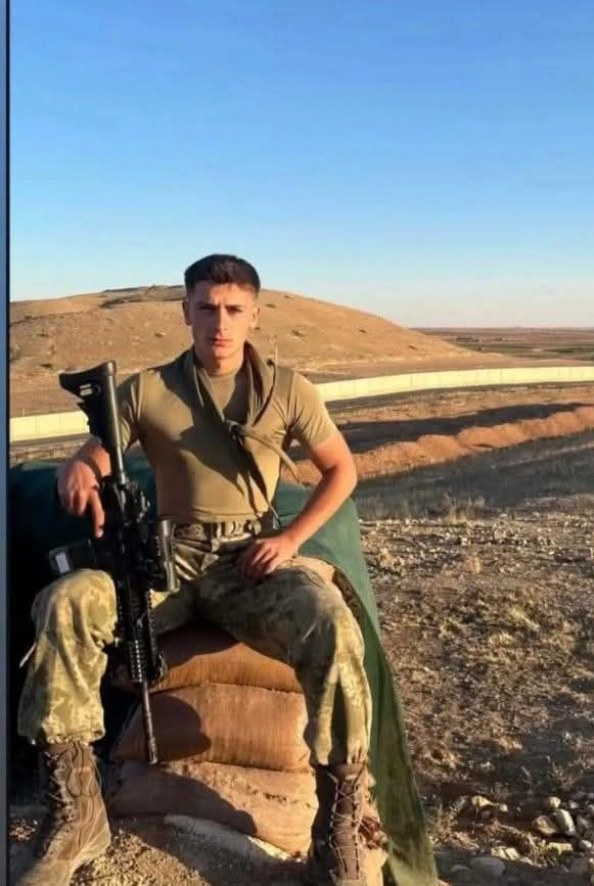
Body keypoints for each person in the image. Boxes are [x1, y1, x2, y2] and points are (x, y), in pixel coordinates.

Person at [16, 254, 375, 886]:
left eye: (234, 309)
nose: (220, 323)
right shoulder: (148, 389)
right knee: (67, 601)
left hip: (251, 559)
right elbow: (99, 452)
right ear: (185, 311)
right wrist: (79, 467)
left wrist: (290, 539)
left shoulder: (286, 390)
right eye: (206, 307)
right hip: (167, 561)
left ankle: (337, 826)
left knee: (331, 622)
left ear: (255, 315)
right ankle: (76, 811)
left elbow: (341, 470)